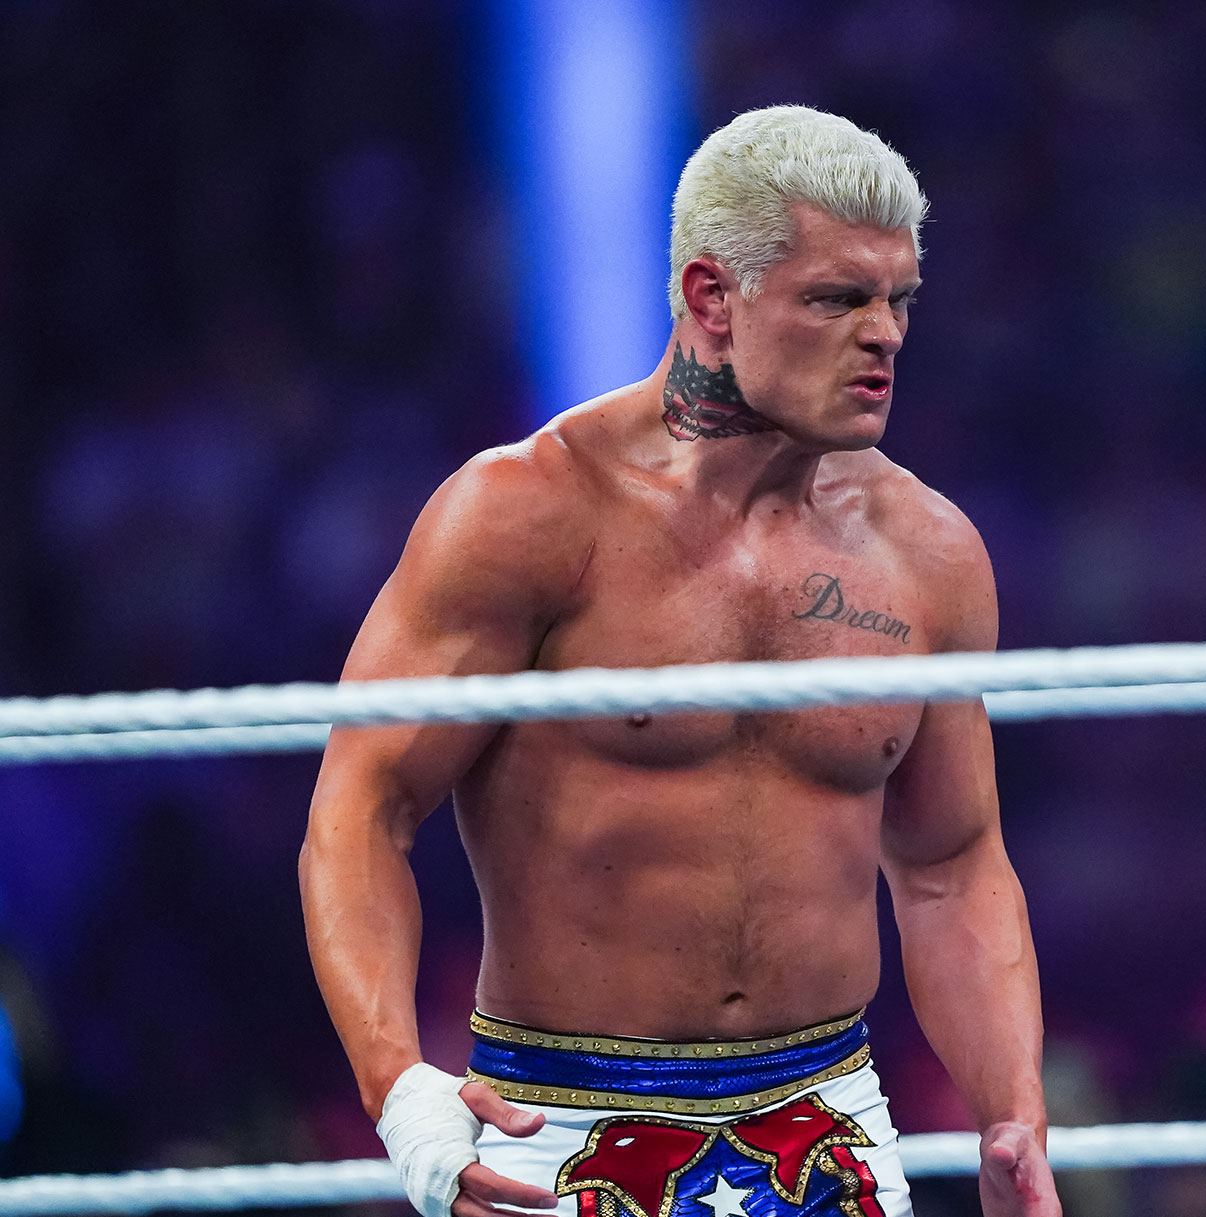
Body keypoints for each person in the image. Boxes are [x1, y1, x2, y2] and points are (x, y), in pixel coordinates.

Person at [299, 105, 1059, 1217]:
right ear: (713, 298)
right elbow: (360, 807)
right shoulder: (527, 515)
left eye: (899, 299)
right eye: (838, 297)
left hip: (829, 1121)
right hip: (557, 1122)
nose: (886, 334)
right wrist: (396, 1083)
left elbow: (951, 860)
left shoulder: (927, 551)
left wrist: (1012, 1112)